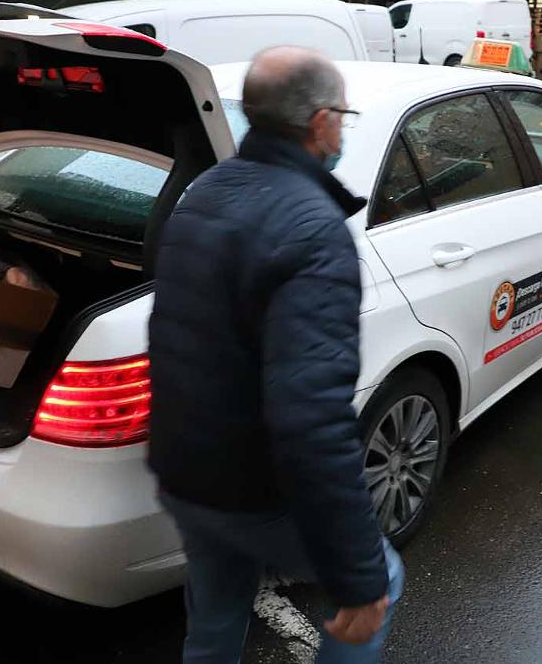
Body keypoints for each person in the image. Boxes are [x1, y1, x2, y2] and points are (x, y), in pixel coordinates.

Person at [148, 46, 402, 663]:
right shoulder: (313, 227)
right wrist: (357, 576)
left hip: (184, 471)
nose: (343, 128)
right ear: (320, 122)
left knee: (215, 613)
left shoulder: (206, 190)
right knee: (381, 582)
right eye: (342, 114)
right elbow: (310, 415)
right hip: (254, 488)